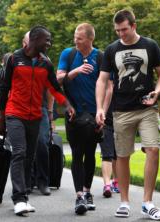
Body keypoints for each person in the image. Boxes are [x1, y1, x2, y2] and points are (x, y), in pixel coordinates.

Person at [95, 9, 160, 220]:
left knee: (153, 149)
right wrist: (100, 108)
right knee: (122, 157)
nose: (121, 34)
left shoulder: (150, 45)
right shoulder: (111, 50)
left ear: (134, 26)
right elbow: (102, 80)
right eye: (117, 30)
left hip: (147, 108)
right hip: (121, 111)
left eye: (124, 30)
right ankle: (125, 202)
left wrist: (157, 91)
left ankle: (147, 202)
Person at [0, 25, 74, 216]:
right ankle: (19, 199)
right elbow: (4, 88)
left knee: (29, 158)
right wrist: (2, 116)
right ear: (34, 39)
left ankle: (24, 197)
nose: (49, 43)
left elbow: (54, 88)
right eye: (46, 40)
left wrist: (68, 105)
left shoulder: (45, 63)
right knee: (19, 153)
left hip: (35, 116)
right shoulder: (14, 59)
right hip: (15, 113)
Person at [57, 23, 102, 215]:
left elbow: (107, 85)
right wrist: (76, 71)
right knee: (76, 153)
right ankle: (79, 197)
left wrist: (102, 111)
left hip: (93, 114)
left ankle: (87, 192)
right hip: (73, 112)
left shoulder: (100, 56)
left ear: (90, 39)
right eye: (75, 36)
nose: (76, 40)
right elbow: (58, 79)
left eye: (80, 38)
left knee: (90, 153)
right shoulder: (68, 54)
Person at [22, 31, 53, 196]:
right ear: (24, 43)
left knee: (41, 143)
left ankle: (43, 181)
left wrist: (50, 112)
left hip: (39, 108)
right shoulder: (16, 59)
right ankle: (26, 182)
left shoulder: (45, 61)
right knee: (25, 147)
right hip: (21, 108)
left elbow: (50, 90)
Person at [100, 79, 119, 198]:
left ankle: (116, 181)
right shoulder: (102, 77)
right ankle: (107, 184)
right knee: (107, 153)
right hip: (105, 120)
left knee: (118, 154)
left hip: (120, 118)